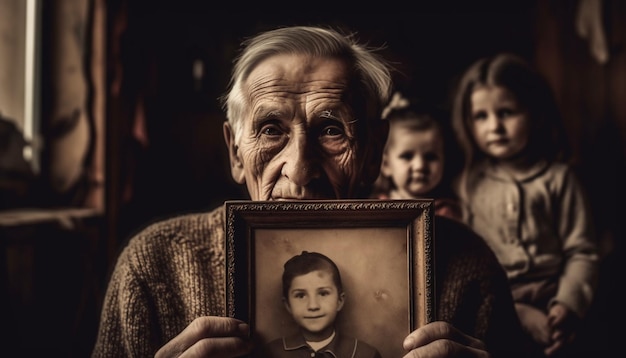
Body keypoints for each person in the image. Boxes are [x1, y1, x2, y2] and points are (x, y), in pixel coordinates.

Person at [91, 25, 531, 358]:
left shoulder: (465, 266)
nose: (300, 170)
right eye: (270, 129)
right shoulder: (153, 265)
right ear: (235, 152)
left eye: (331, 130)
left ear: (375, 150)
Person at [451, 52, 600, 357]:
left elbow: (581, 251)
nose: (495, 126)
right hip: (493, 302)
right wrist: (516, 311)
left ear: (535, 113)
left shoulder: (559, 179)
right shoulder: (467, 184)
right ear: (468, 122)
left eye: (506, 112)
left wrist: (567, 305)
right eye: (481, 116)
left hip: (552, 298)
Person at [263, 251, 381, 358]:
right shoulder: (271, 353)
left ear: (339, 301)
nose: (313, 306)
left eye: (323, 293)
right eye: (300, 295)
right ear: (288, 304)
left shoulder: (366, 354)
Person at [372, 91, 463, 221]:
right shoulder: (375, 209)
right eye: (407, 156)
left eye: (430, 157)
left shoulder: (447, 213)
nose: (420, 166)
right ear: (386, 165)